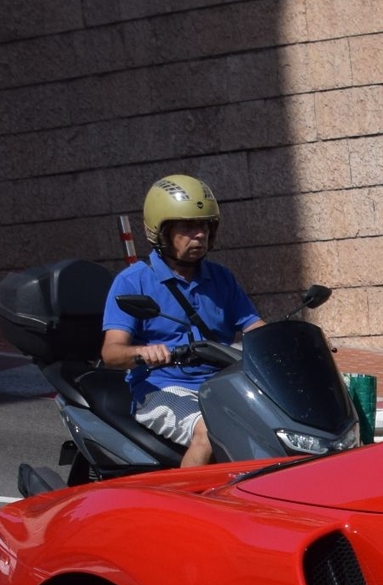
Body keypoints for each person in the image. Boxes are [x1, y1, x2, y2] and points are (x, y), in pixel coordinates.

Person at [101, 174, 263, 467]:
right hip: (161, 387)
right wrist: (143, 353)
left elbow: (255, 328)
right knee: (209, 430)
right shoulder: (133, 281)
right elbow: (111, 353)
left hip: (222, 385)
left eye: (205, 226)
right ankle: (183, 504)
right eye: (188, 227)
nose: (199, 234)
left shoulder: (221, 278)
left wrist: (292, 342)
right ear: (161, 232)